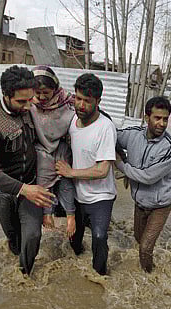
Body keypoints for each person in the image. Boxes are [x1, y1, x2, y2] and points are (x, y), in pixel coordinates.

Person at [0, 65, 54, 275]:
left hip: (31, 185)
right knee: (14, 239)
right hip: (4, 192)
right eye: (22, 101)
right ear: (5, 95)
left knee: (32, 236)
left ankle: (24, 276)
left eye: (31, 99)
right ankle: (15, 261)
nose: (29, 106)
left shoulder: (31, 108)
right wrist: (23, 189)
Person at [55, 73, 117, 276]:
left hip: (101, 196)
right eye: (78, 98)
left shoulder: (105, 128)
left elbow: (102, 170)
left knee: (99, 237)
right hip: (77, 195)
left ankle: (100, 276)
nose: (80, 105)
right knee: (74, 239)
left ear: (98, 101)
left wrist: (70, 172)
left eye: (87, 101)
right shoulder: (73, 120)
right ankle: (77, 263)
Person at [115, 96, 171, 273]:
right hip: (140, 202)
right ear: (146, 117)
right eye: (157, 118)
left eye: (165, 119)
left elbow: (148, 176)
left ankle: (149, 279)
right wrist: (122, 154)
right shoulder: (134, 134)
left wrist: (121, 164)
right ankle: (143, 273)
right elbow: (111, 134)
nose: (162, 123)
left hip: (160, 205)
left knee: (144, 248)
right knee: (138, 239)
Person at [30, 66, 76, 238]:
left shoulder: (66, 101)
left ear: (55, 88)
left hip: (62, 145)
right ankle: (47, 213)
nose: (41, 97)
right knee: (43, 179)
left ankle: (70, 215)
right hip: (41, 147)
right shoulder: (28, 101)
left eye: (46, 92)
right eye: (37, 92)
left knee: (65, 177)